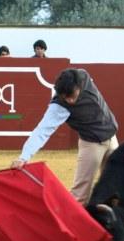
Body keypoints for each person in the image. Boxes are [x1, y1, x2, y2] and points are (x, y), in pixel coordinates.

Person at [11, 68, 118, 205]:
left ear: (79, 86)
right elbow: (42, 130)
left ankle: (110, 224)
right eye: (66, 97)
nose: (70, 100)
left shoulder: (84, 76)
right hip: (91, 145)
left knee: (115, 189)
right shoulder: (59, 106)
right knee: (80, 196)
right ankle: (69, 225)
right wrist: (24, 157)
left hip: (112, 137)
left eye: (72, 95)